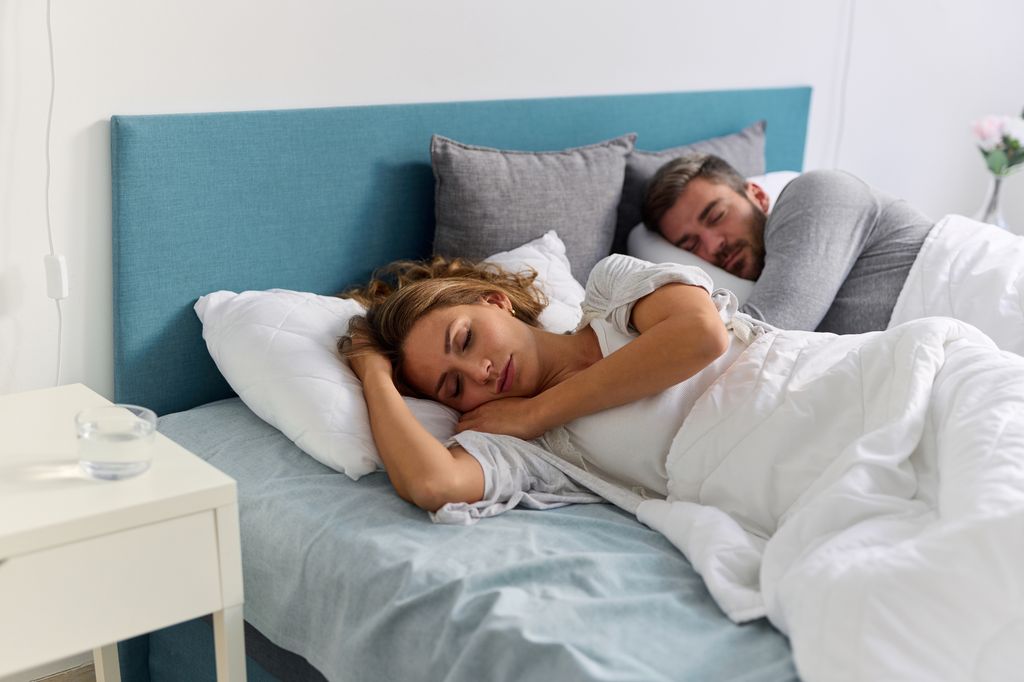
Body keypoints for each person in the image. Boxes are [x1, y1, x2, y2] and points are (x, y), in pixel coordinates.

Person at [339, 253, 741, 511]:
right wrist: (375, 376)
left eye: (466, 339)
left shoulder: (614, 294)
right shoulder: (535, 448)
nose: (480, 373)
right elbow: (433, 483)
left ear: (495, 301)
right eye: (455, 388)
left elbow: (701, 336)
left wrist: (536, 412)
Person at [640, 154, 934, 334]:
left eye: (717, 216)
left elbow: (759, 338)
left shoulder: (816, 192)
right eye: (691, 246)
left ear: (757, 194)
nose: (713, 245)